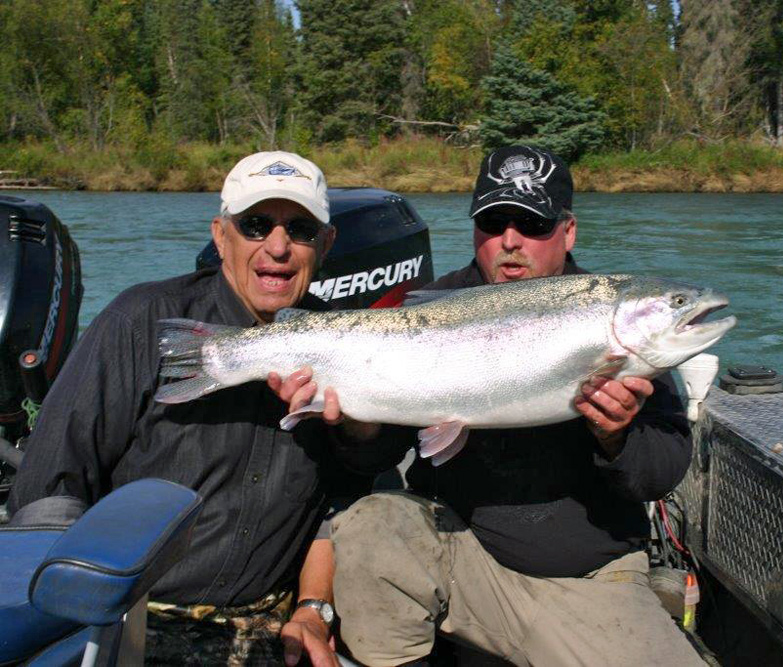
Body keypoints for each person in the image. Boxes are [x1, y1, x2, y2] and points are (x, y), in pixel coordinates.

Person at [281, 145, 706, 666]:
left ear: (567, 231)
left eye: (531, 223)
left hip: (589, 582)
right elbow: (373, 458)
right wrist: (358, 424)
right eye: (493, 221)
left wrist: (616, 435)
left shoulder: (605, 317)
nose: (510, 240)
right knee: (372, 524)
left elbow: (659, 475)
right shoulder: (424, 308)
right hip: (458, 560)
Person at [8, 151, 390, 667]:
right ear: (221, 235)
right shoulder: (140, 321)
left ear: (325, 244)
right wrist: (80, 622)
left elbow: (340, 503)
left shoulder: (350, 342)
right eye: (256, 225)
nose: (277, 247)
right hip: (131, 623)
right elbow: (50, 486)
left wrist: (312, 610)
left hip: (270, 630)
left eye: (299, 229)